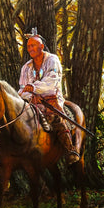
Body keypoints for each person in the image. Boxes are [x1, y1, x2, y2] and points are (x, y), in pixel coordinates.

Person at [18, 32, 79, 163]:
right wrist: (29, 95)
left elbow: (51, 82)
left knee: (55, 119)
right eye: (28, 47)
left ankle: (70, 150)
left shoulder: (52, 60)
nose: (30, 49)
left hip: (52, 98)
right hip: (32, 101)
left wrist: (34, 88)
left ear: (41, 46)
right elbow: (22, 88)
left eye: (33, 45)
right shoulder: (26, 67)